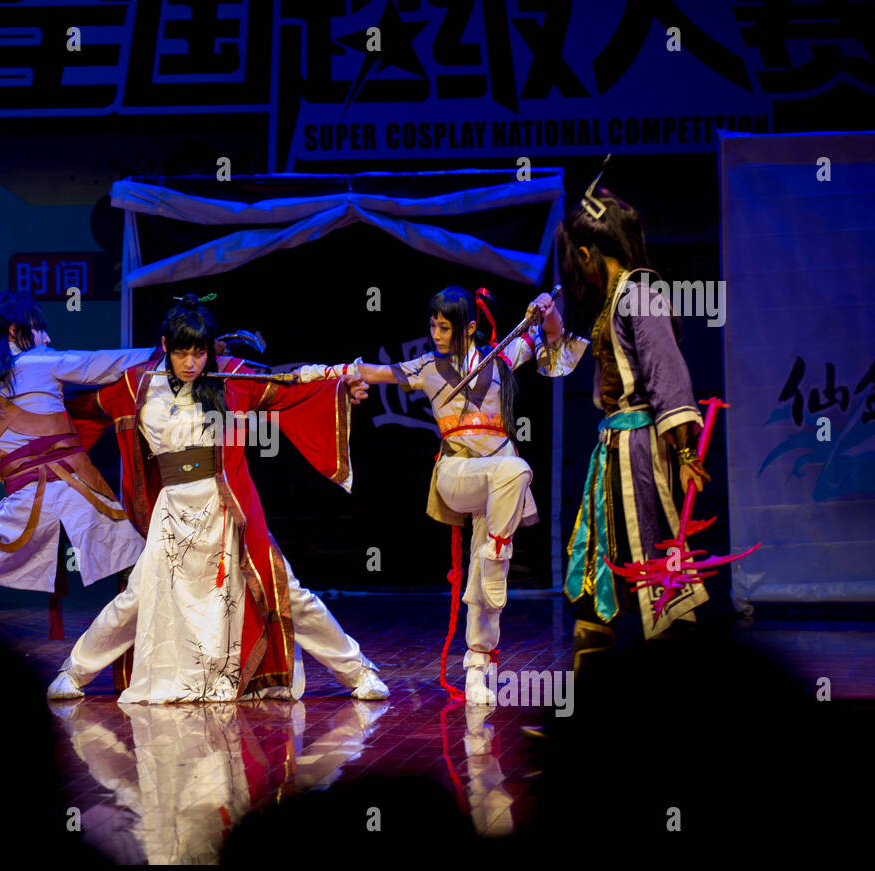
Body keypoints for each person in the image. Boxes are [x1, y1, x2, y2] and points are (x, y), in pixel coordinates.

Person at [47, 294, 389, 703]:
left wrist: (340, 386)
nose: (191, 363)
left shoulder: (230, 378)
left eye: (198, 352)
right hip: (172, 511)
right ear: (164, 347)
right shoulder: (136, 385)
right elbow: (77, 411)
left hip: (228, 506)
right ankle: (74, 671)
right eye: (181, 353)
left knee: (286, 591)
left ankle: (358, 671)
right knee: (139, 597)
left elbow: (288, 386)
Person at [354, 286, 587, 704]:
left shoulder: (502, 357)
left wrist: (549, 312)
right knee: (515, 471)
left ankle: (479, 663)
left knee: (487, 560)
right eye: (433, 325)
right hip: (457, 473)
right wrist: (334, 376)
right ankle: (498, 554)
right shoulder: (427, 366)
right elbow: (373, 372)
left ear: (471, 328)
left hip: (498, 480)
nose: (436, 334)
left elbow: (555, 342)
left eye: (445, 327)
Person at [551, 169, 712, 672]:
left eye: (578, 258)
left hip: (642, 452)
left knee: (658, 566)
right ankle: (586, 703)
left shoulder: (639, 291)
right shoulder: (616, 297)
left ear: (586, 253)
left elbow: (668, 376)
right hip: (614, 454)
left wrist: (686, 455)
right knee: (600, 569)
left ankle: (672, 693)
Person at [0, 291, 156, 628]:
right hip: (78, 488)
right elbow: (105, 363)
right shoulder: (41, 361)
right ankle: (151, 644)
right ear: (16, 331)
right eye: (40, 329)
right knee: (135, 562)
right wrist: (163, 353)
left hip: (24, 501)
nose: (48, 338)